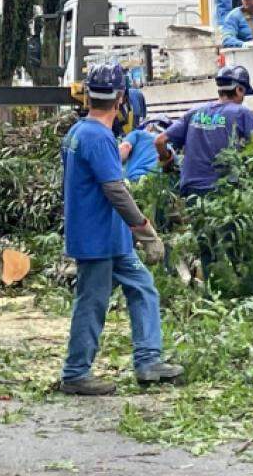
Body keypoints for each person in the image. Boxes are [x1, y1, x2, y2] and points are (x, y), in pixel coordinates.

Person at [59, 63, 183, 396]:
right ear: (121, 98)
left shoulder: (77, 133)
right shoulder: (97, 137)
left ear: (88, 95)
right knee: (92, 302)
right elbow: (115, 190)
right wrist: (144, 229)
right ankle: (75, 374)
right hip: (98, 238)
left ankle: (148, 361)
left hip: (109, 238)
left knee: (143, 287)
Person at [153, 66, 253, 275]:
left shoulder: (195, 113)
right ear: (239, 90)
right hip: (223, 189)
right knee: (235, 244)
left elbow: (159, 140)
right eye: (244, 93)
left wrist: (166, 161)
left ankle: (212, 294)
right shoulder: (241, 113)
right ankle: (239, 289)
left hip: (193, 190)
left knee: (207, 246)